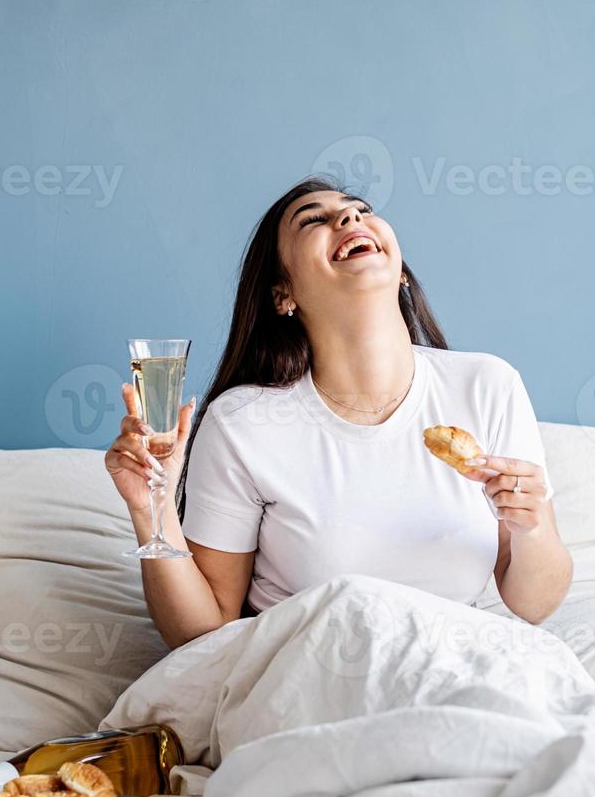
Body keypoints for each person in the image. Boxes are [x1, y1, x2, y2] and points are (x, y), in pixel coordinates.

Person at [105, 178, 571, 648]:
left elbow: (534, 605)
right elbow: (201, 633)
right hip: (311, 675)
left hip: (456, 668)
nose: (349, 219)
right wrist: (153, 511)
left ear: (400, 270)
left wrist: (531, 527)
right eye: (314, 219)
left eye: (360, 210)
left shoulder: (488, 386)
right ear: (283, 293)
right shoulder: (243, 423)